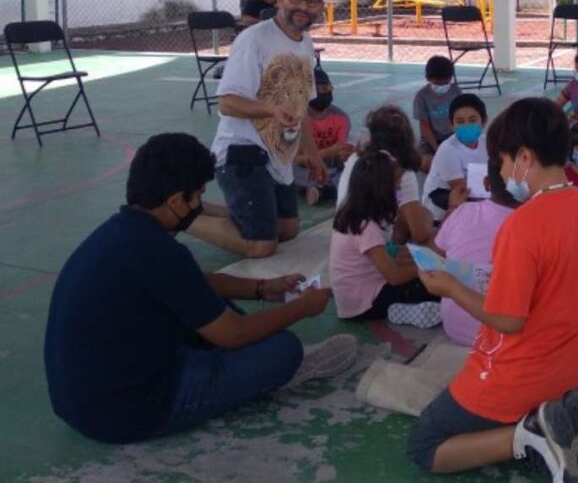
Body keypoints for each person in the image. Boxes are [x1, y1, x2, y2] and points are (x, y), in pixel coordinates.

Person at [43, 133, 357, 444]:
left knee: (212, 307)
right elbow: (232, 334)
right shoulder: (157, 250)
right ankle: (276, 374)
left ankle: (226, 365)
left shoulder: (124, 231)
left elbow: (191, 282)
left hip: (81, 401)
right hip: (129, 411)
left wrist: (261, 288)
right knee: (282, 350)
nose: (198, 206)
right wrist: (301, 308)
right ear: (176, 201)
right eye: (197, 197)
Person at [407, 98, 578, 480]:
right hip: (565, 370)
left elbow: (508, 321)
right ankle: (553, 417)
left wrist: (450, 287)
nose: (500, 170)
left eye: (500, 161)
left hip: (514, 378)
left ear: (524, 157)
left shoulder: (522, 225)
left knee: (423, 447)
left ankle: (526, 436)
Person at [189, 0, 328, 259]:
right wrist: (271, 110)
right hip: (243, 153)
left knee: (287, 230)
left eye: (312, 1)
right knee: (262, 245)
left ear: (320, 6)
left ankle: (195, 207)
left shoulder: (305, 44)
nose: (304, 7)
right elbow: (227, 103)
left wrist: (314, 155)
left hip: (279, 156)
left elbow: (301, 108)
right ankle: (171, 217)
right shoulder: (254, 39)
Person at [330, 149, 440, 327]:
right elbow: (394, 276)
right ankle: (404, 310)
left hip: (353, 299)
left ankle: (403, 307)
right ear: (381, 190)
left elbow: (390, 254)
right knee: (435, 284)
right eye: (396, 185)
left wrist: (422, 259)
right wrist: (428, 268)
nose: (398, 189)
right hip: (367, 303)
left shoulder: (350, 215)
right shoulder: (366, 226)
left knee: (419, 265)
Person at [426, 161, 520, 346]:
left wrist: (453, 208)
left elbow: (432, 258)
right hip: (503, 336)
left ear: (485, 184)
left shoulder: (463, 211)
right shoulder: (531, 223)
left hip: (454, 328)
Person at [337, 105, 435, 245]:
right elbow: (420, 233)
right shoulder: (399, 169)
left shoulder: (355, 158)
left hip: (346, 237)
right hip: (373, 247)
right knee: (435, 240)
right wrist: (428, 215)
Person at [422, 94, 488, 218]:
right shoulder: (448, 150)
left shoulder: (488, 142)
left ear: (483, 121)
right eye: (460, 122)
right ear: (452, 125)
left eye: (473, 120)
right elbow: (460, 189)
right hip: (443, 202)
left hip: (478, 195)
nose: (467, 126)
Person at [294, 68, 353, 206]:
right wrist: (329, 152)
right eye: (316, 89)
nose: (321, 92)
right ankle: (326, 188)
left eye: (325, 88)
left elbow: (340, 151)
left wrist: (347, 153)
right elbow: (297, 159)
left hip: (332, 167)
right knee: (287, 172)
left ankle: (320, 190)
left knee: (351, 171)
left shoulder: (341, 118)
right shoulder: (296, 119)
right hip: (304, 169)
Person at [414, 55, 462, 172]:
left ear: (450, 78)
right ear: (428, 78)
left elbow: (461, 119)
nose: (441, 86)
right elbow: (424, 126)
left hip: (453, 136)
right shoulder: (422, 96)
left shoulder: (456, 92)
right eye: (437, 83)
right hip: (431, 141)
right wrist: (437, 149)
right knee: (426, 166)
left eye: (445, 83)